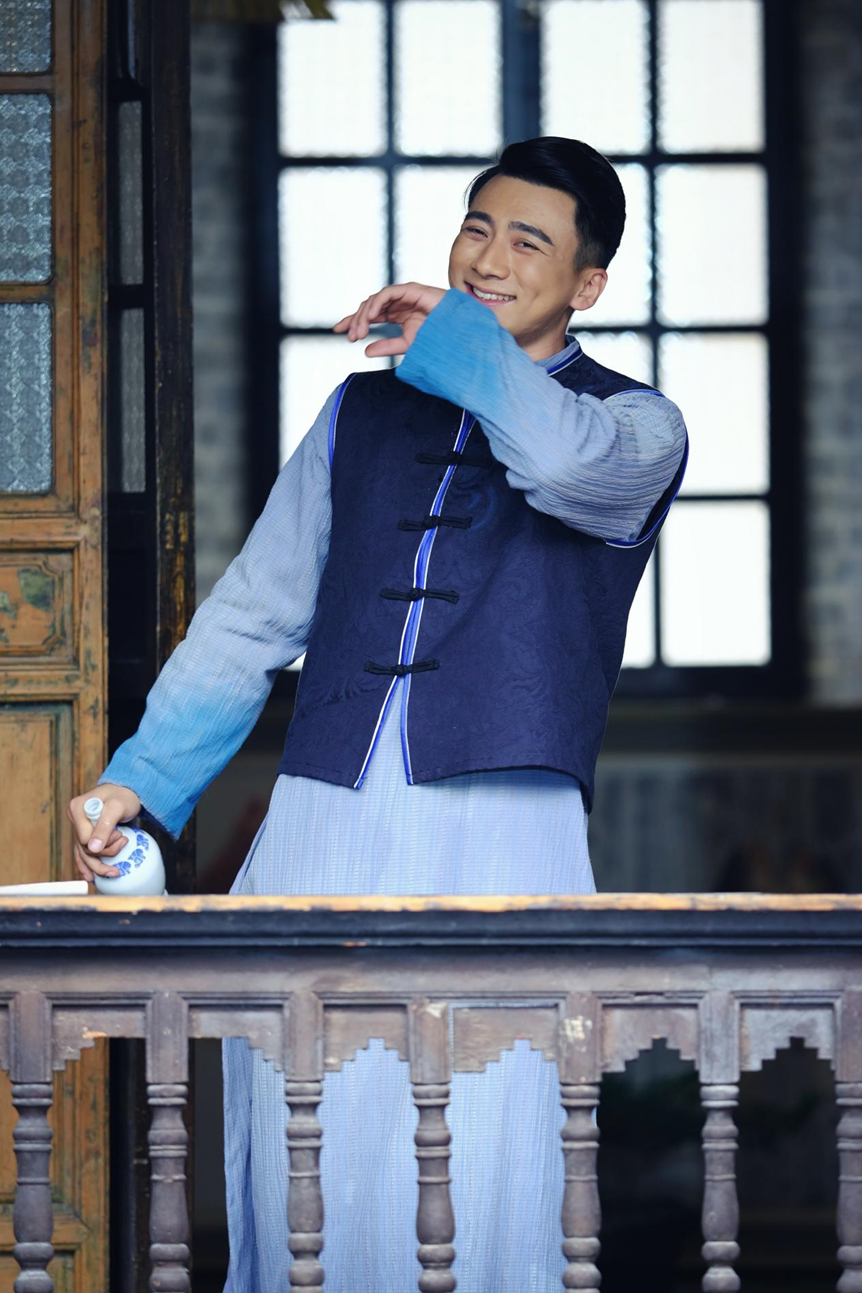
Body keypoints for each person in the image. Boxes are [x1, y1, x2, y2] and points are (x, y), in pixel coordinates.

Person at [68, 136, 688, 1292]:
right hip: (324, 817)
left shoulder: (637, 427)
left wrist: (455, 346)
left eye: (528, 242)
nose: (487, 259)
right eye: (476, 228)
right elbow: (252, 617)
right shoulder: (357, 414)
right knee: (312, 1140)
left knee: (494, 1144)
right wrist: (138, 786)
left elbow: (559, 469)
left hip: (504, 831)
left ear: (588, 284)